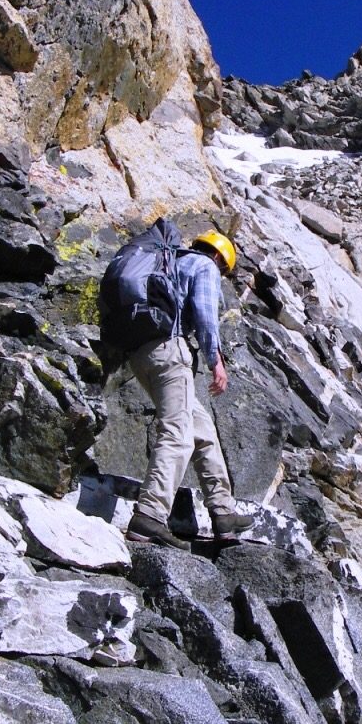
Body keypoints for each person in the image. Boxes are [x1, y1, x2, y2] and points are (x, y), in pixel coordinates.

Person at [125, 229, 254, 550]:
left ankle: (223, 513)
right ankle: (150, 516)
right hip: (171, 350)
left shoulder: (167, 262)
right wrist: (216, 361)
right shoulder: (205, 266)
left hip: (141, 353)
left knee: (202, 430)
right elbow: (205, 313)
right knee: (178, 436)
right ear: (220, 260)